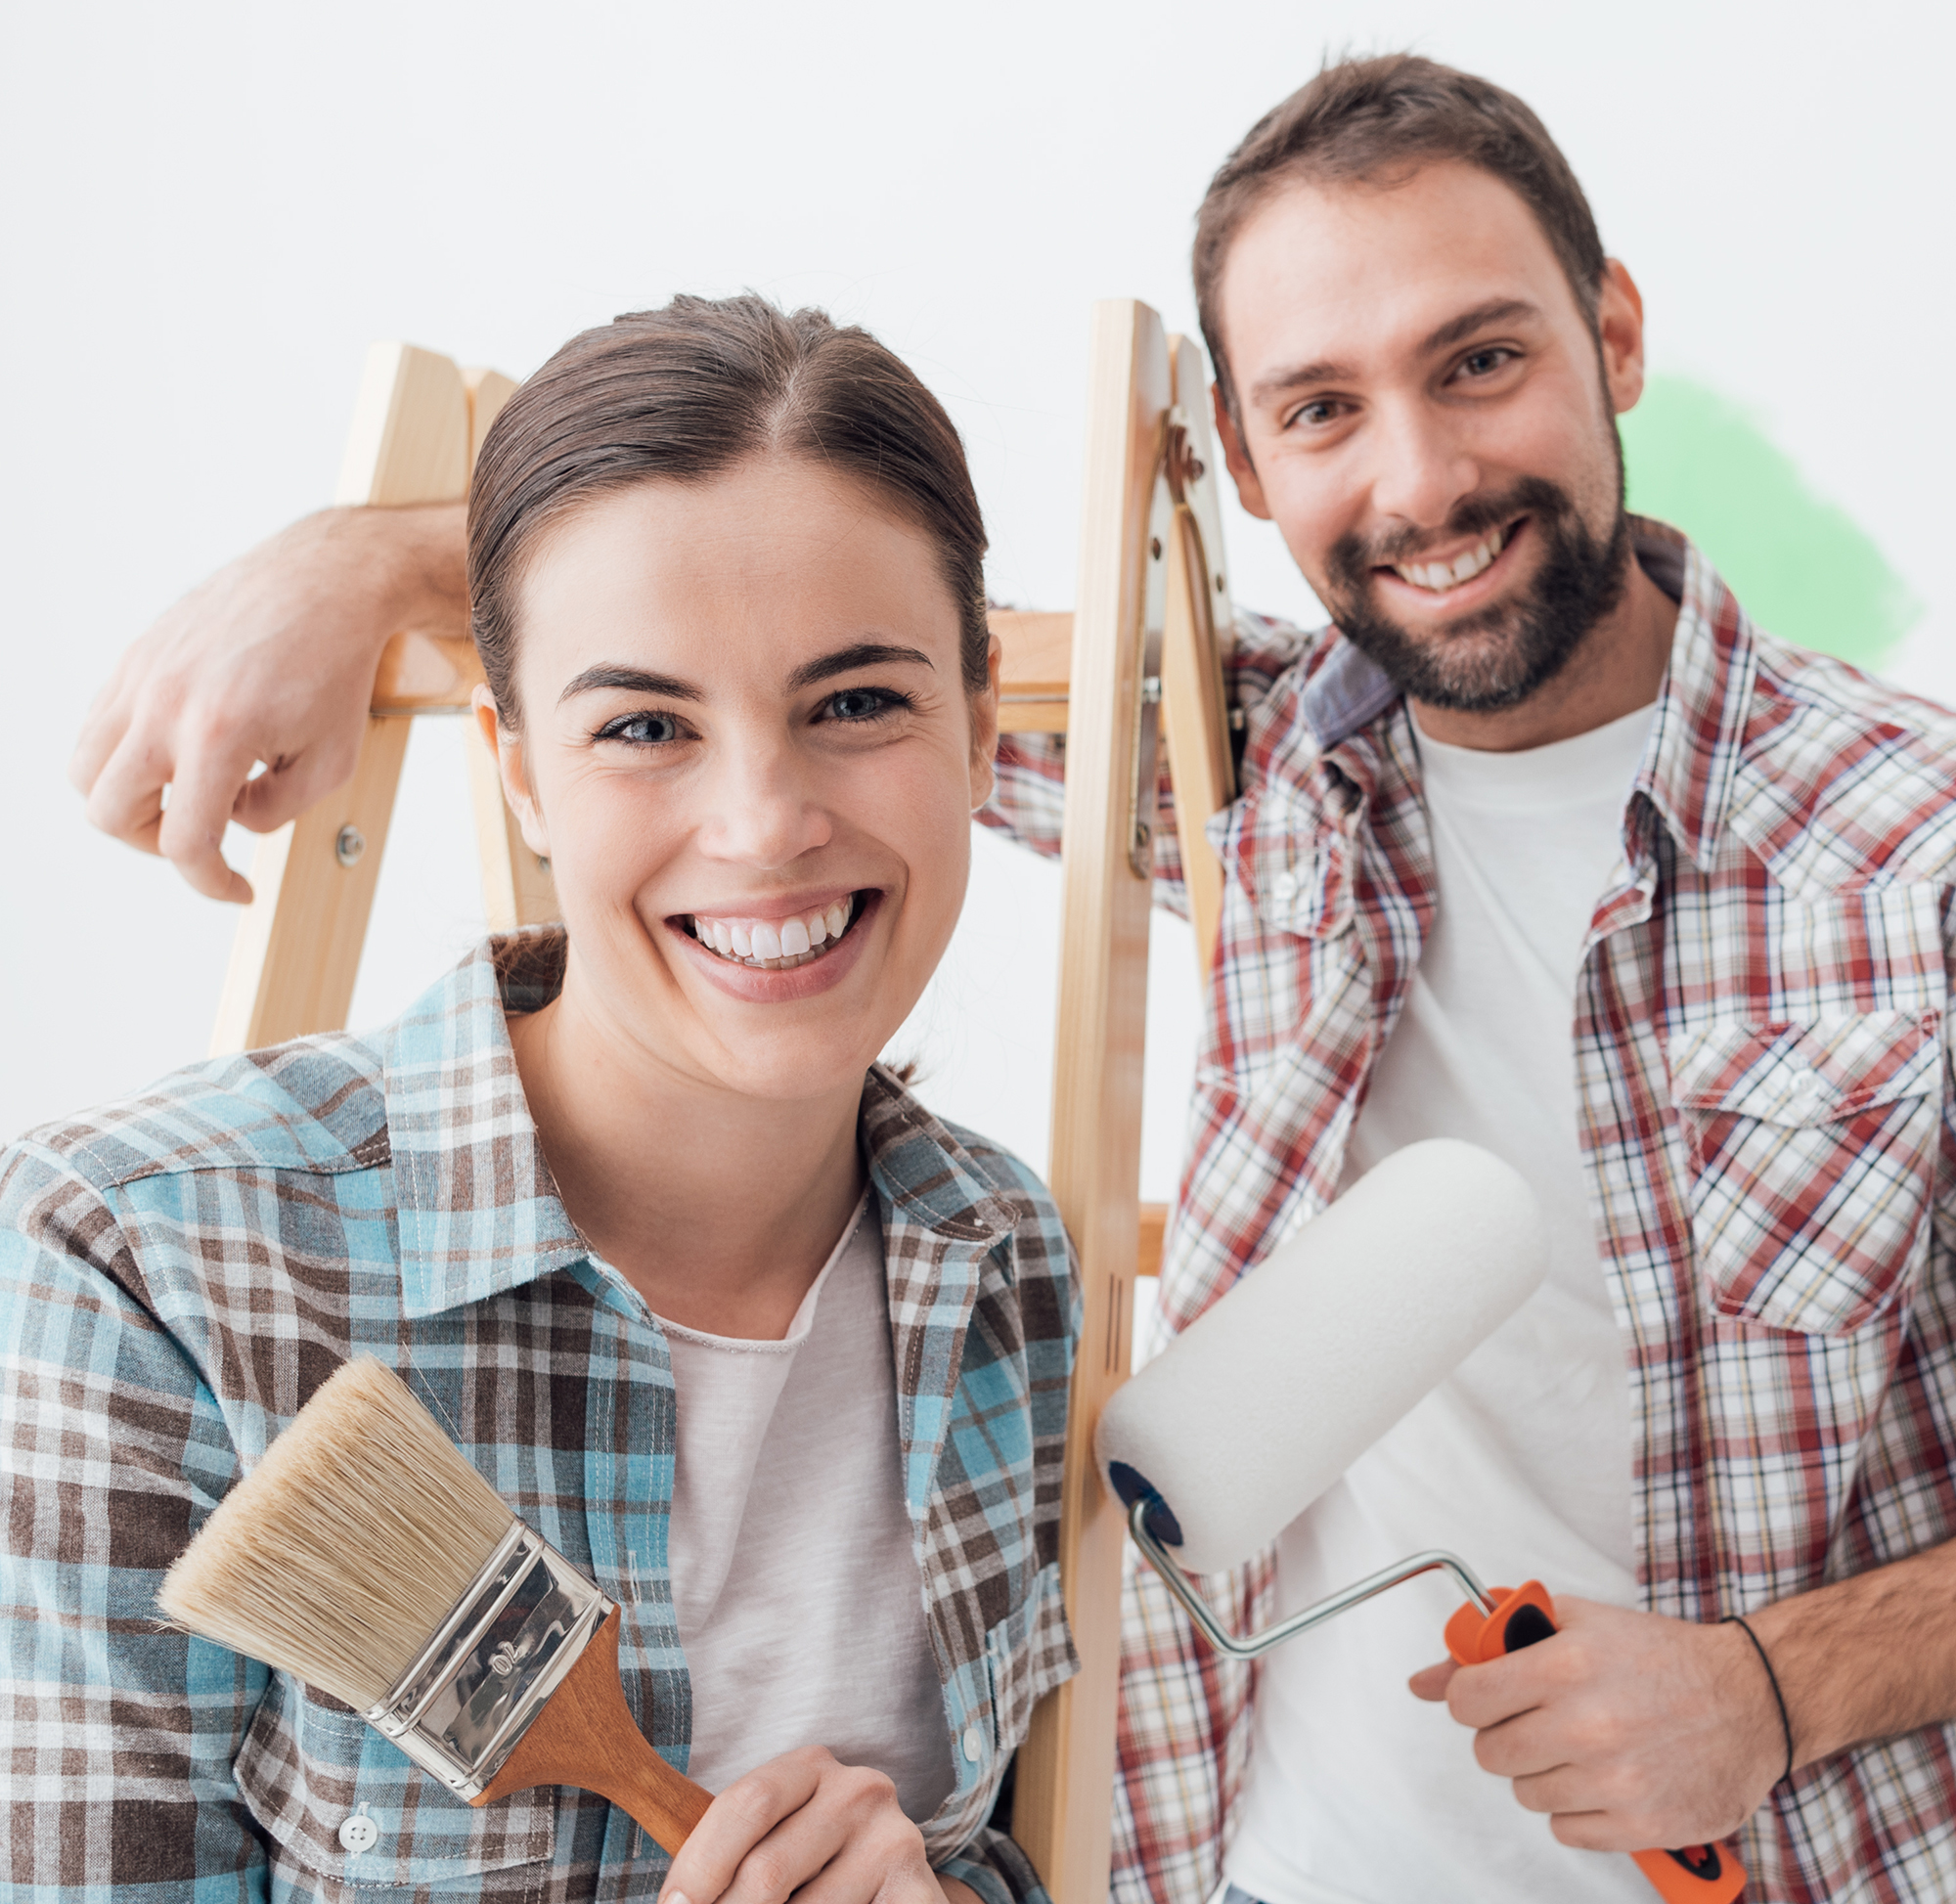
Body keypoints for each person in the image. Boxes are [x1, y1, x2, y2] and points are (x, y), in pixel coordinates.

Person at [56, 51, 1956, 1904]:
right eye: (1317, 407)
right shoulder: (1255, 761)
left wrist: (1771, 1686)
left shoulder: (1912, 843)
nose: (1422, 476)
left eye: (1479, 360)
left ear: (1611, 336)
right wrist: (360, 563)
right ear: (1238, 452)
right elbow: (792, 651)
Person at [4, 294, 1080, 1904]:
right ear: (520, 771)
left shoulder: (1004, 1262)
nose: (765, 823)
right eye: (645, 725)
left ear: (982, 727)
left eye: (857, 703)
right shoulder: (147, 1259)